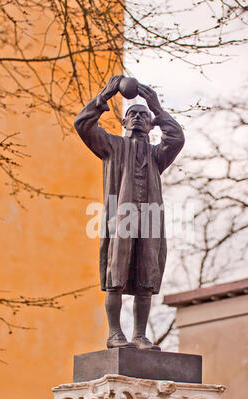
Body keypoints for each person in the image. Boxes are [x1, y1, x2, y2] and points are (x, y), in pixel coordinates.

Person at [74, 76, 185, 350]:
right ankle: (115, 334)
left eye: (143, 116)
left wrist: (157, 108)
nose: (137, 118)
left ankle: (139, 335)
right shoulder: (111, 146)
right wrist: (105, 96)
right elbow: (83, 124)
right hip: (120, 220)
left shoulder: (157, 155)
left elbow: (177, 138)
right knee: (116, 276)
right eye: (132, 114)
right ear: (123, 123)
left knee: (146, 278)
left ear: (151, 125)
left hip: (149, 222)